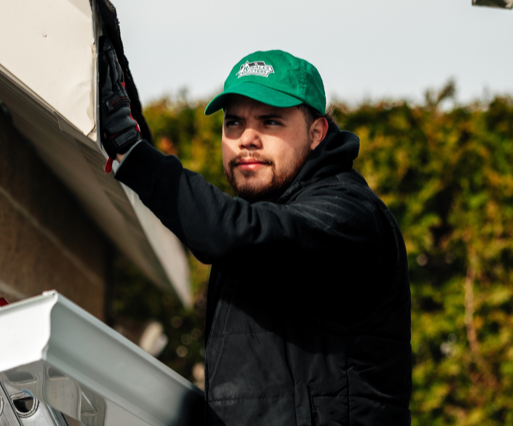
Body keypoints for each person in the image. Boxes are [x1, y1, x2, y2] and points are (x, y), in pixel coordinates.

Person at [98, 37, 412, 425]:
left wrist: (133, 153)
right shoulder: (263, 220)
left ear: (316, 133)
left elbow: (235, 233)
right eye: (234, 122)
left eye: (270, 121)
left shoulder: (347, 215)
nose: (246, 137)